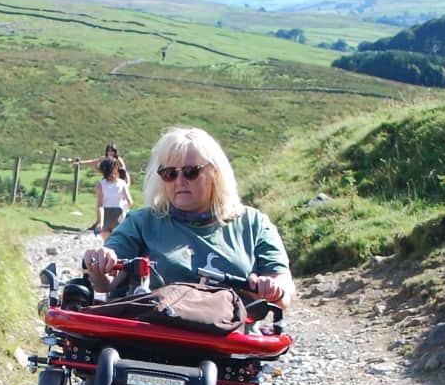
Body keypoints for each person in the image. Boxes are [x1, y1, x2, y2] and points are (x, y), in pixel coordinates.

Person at [82, 126, 295, 308]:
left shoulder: (254, 224)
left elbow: (284, 288)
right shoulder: (141, 222)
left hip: (231, 347)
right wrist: (101, 262)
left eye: (191, 172)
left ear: (215, 173)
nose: (179, 181)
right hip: (150, 342)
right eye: (169, 174)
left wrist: (273, 289)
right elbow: (104, 283)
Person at [94, 158, 132, 242]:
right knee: (117, 240)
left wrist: (100, 222)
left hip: (106, 214)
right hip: (119, 213)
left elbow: (100, 205)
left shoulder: (100, 185)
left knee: (106, 241)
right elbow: (129, 201)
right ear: (115, 169)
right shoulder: (122, 183)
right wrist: (124, 211)